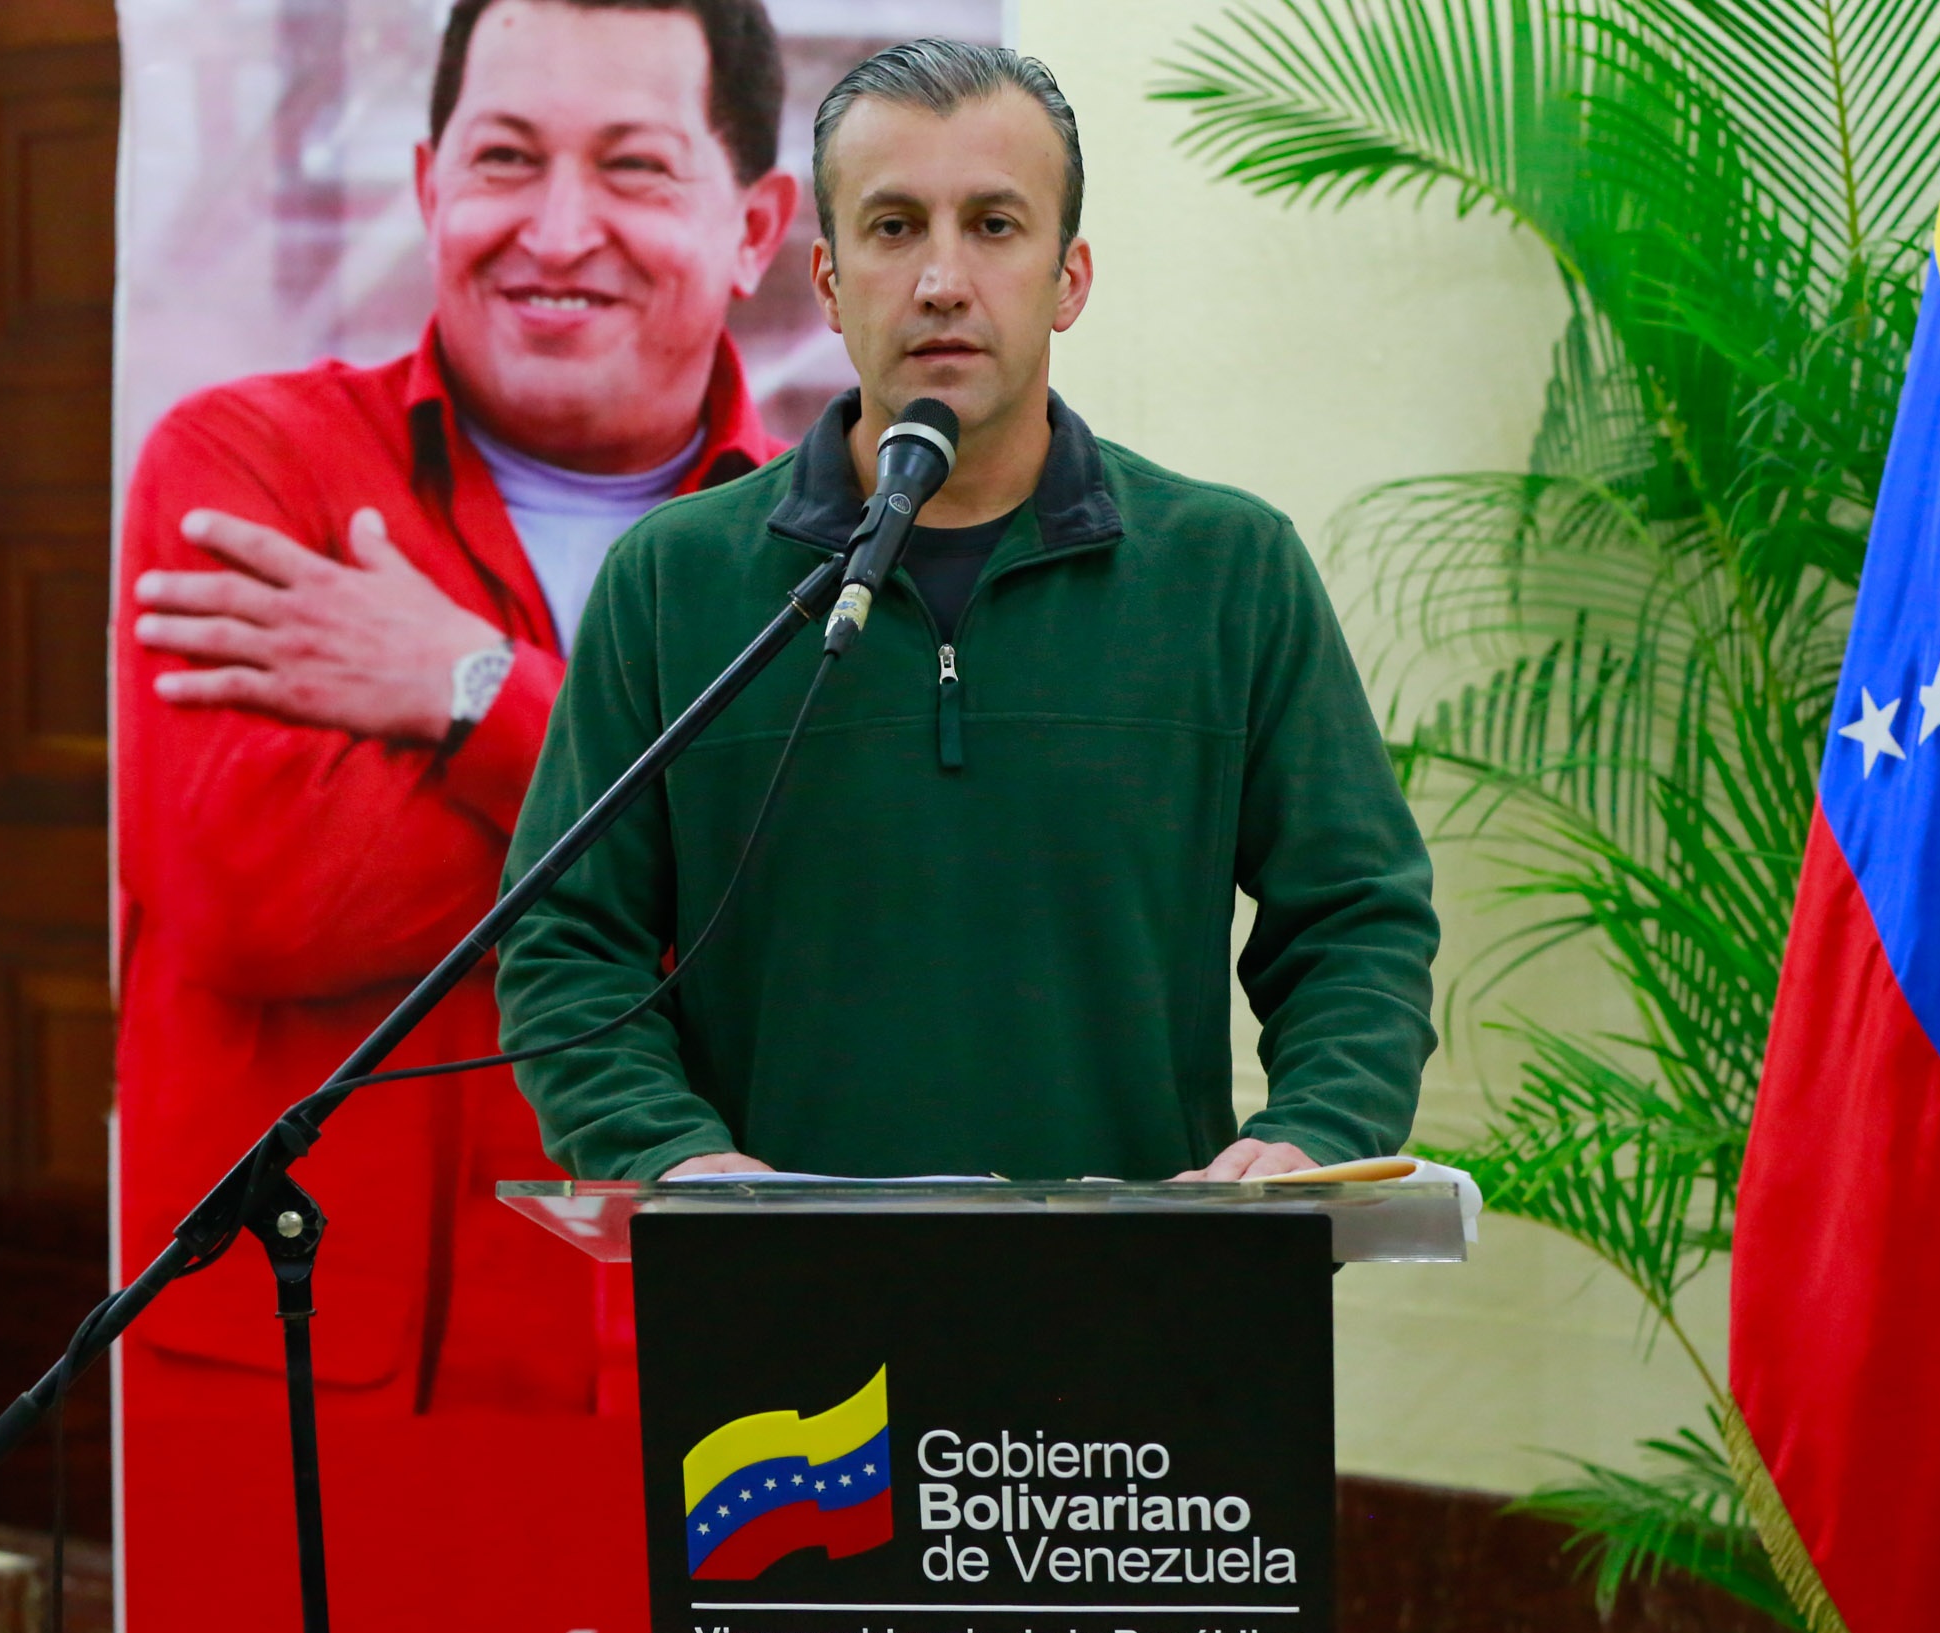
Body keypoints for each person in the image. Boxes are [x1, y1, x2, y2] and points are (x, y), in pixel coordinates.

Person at [496, 42, 1439, 1184]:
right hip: (780, 1281)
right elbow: (566, 945)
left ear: (1069, 278)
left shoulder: (1230, 570)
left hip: (1146, 1277)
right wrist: (677, 1159)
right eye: (894, 227)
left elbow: (1355, 920)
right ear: (828, 281)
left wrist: (1312, 1135)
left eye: (994, 225)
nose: (942, 279)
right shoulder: (672, 581)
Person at [116, 0, 797, 1416]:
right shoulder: (249, 469)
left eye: (633, 165)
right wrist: (682, 818)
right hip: (307, 1389)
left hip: (709, 1381)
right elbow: (255, 892)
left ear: (753, 226)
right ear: (431, 186)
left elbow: (831, 907)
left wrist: (467, 689)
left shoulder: (836, 545)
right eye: (505, 157)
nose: (556, 230)